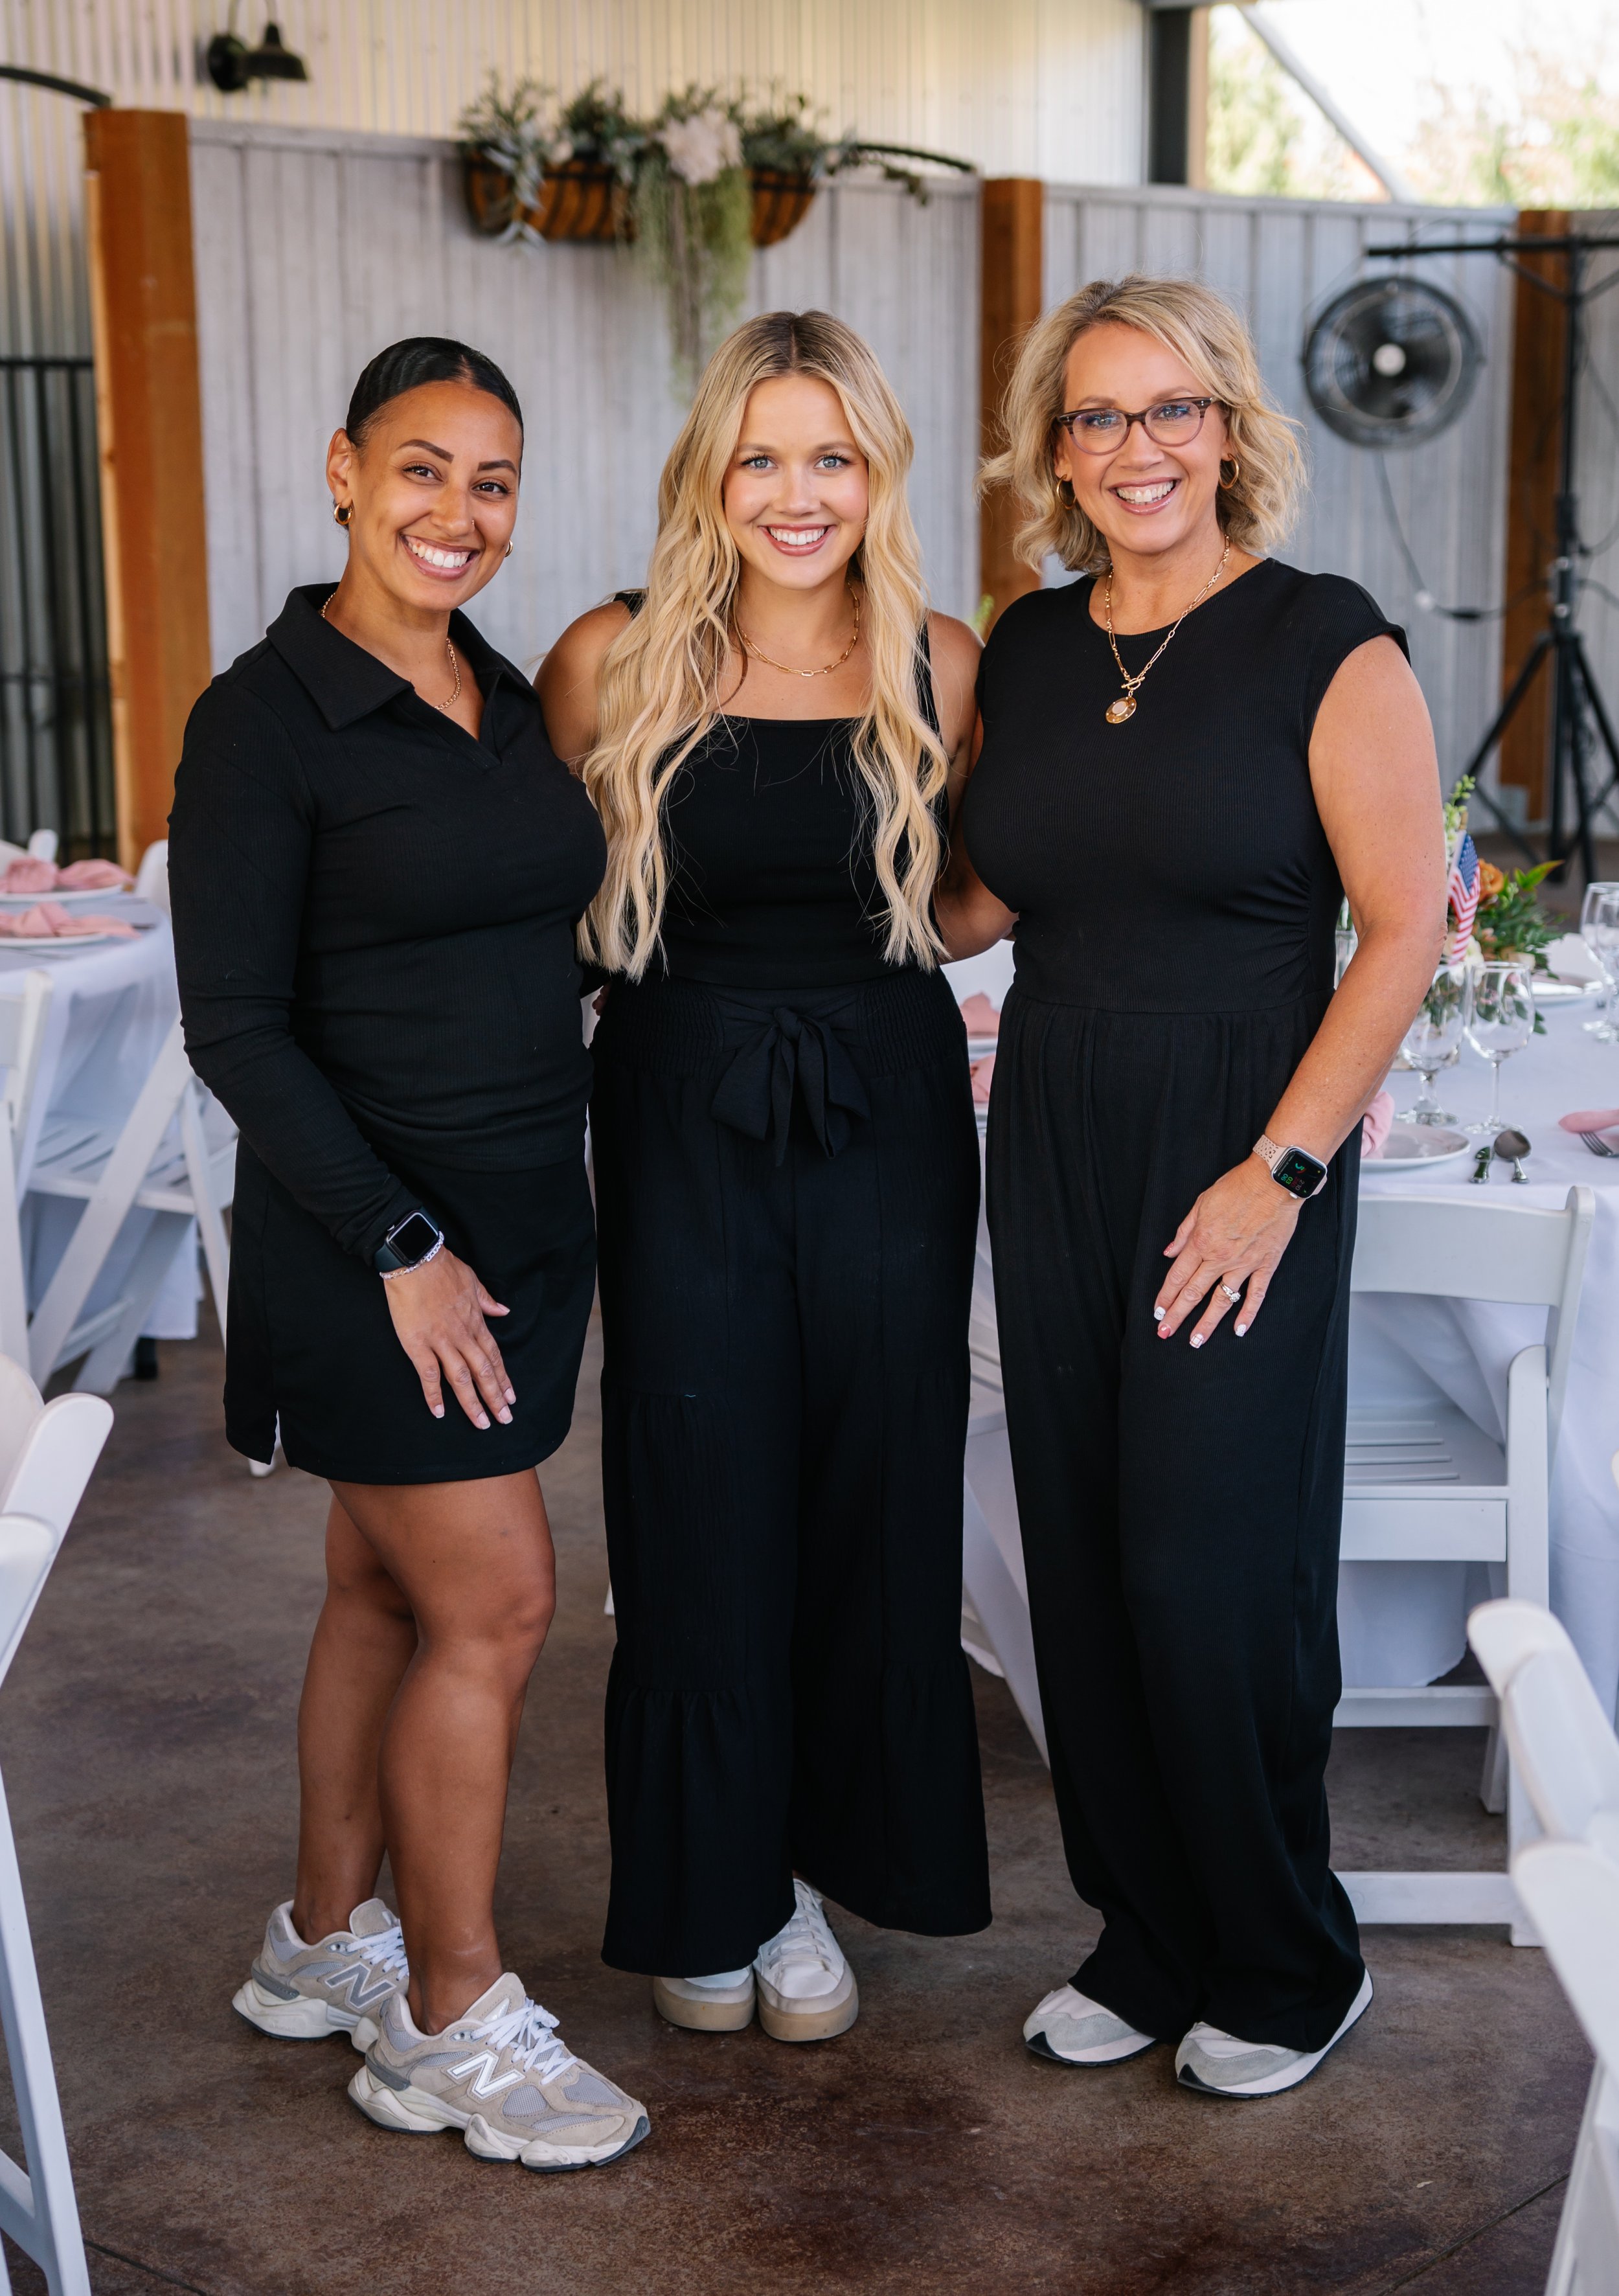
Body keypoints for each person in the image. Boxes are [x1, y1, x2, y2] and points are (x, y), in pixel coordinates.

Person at [938, 275, 1443, 2097]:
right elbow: (974, 904)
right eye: (1094, 417)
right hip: (1055, 1113)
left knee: (1204, 1565)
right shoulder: (1030, 644)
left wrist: (1278, 1172)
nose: (1133, 449)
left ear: (1227, 425)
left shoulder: (1327, 641)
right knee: (1075, 1547)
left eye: (1167, 411)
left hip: (1241, 1131)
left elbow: (1395, 936)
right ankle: (1145, 1933)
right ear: (1053, 449)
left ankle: (1288, 1953)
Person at [169, 337, 648, 2170]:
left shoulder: (503, 693)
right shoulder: (264, 717)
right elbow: (235, 1025)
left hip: (525, 1220)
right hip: (372, 1245)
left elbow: (546, 933)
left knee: (380, 1591)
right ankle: (447, 2012)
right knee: (498, 1600)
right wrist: (400, 1240)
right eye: (426, 469)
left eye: (496, 480)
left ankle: (316, 1940)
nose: (461, 512)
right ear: (344, 471)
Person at [540, 309, 990, 2041]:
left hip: (886, 1101)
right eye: (761, 455)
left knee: (873, 1498)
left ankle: (805, 1876)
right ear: (707, 472)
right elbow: (548, 897)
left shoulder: (942, 659)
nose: (795, 493)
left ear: (872, 468)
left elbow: (970, 891)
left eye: (830, 454)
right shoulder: (610, 653)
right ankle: (704, 1886)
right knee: (696, 1494)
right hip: (678, 1103)